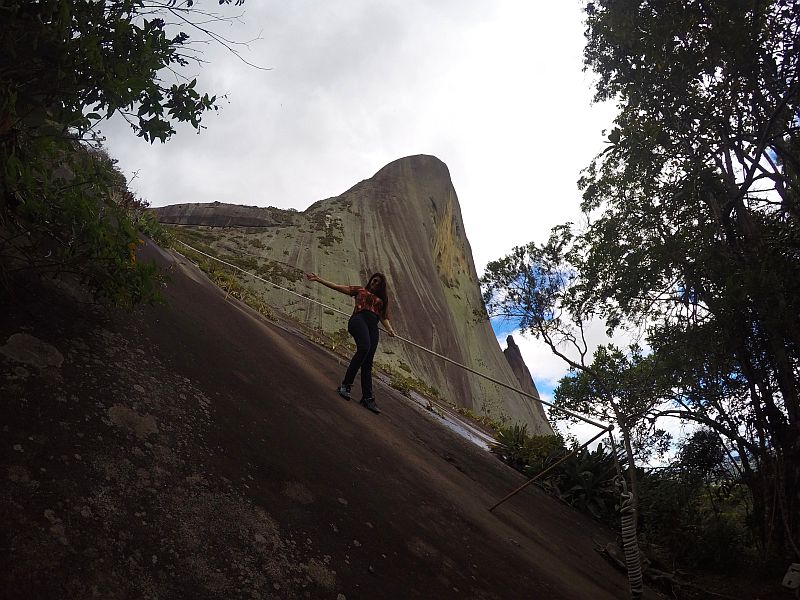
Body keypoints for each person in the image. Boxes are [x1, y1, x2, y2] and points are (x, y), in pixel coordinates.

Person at [305, 271, 397, 414]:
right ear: (370, 281)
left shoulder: (381, 301)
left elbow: (383, 317)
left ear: (381, 286)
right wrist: (318, 279)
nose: (375, 283)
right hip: (358, 320)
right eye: (374, 280)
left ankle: (367, 398)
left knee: (368, 361)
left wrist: (390, 330)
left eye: (378, 282)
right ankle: (345, 385)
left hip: (373, 327)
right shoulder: (359, 290)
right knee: (364, 348)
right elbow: (337, 287)